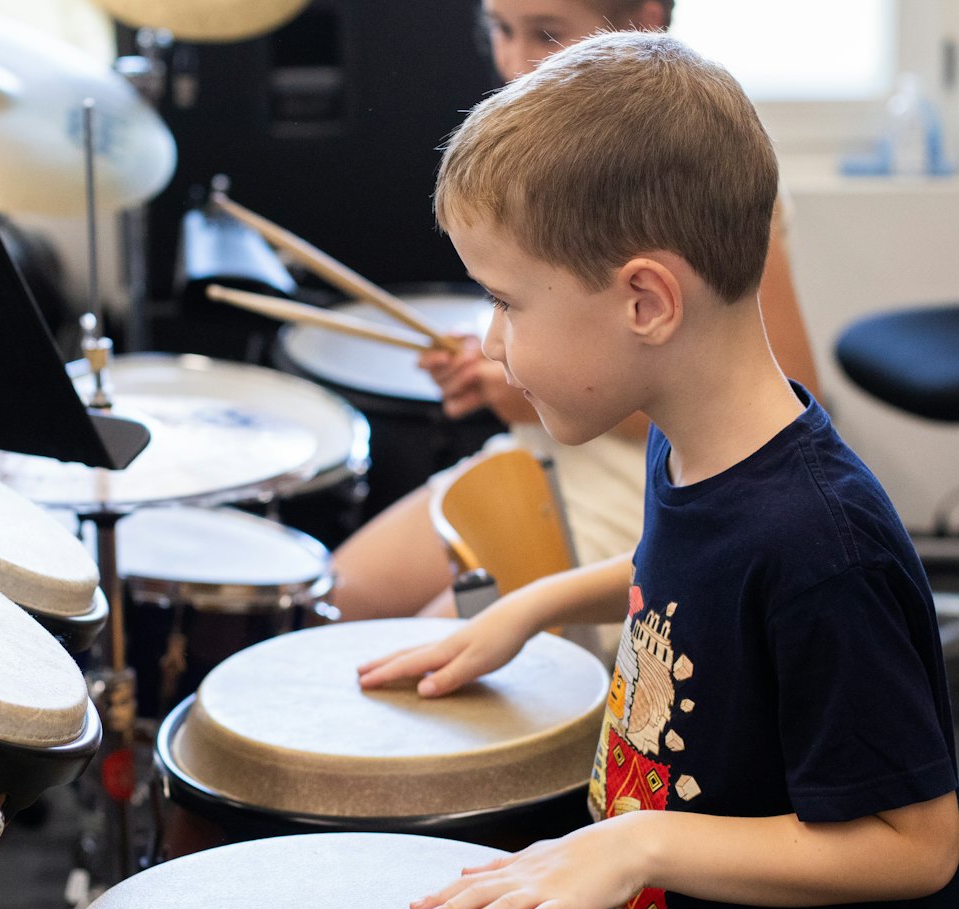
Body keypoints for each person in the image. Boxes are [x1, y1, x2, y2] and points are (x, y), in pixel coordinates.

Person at [357, 34, 959, 909]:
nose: (490, 342)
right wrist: (530, 608)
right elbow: (681, 574)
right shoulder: (694, 442)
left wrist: (635, 843)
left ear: (645, 299)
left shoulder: (822, 548)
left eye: (506, 302)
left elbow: (914, 844)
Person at [328, 0, 821, 627]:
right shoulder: (543, 160)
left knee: (411, 679)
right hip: (541, 464)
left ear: (643, 22)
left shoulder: (702, 179)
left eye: (547, 33)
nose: (513, 62)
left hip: (618, 493)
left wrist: (520, 391)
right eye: (500, 31)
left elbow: (783, 395)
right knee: (332, 600)